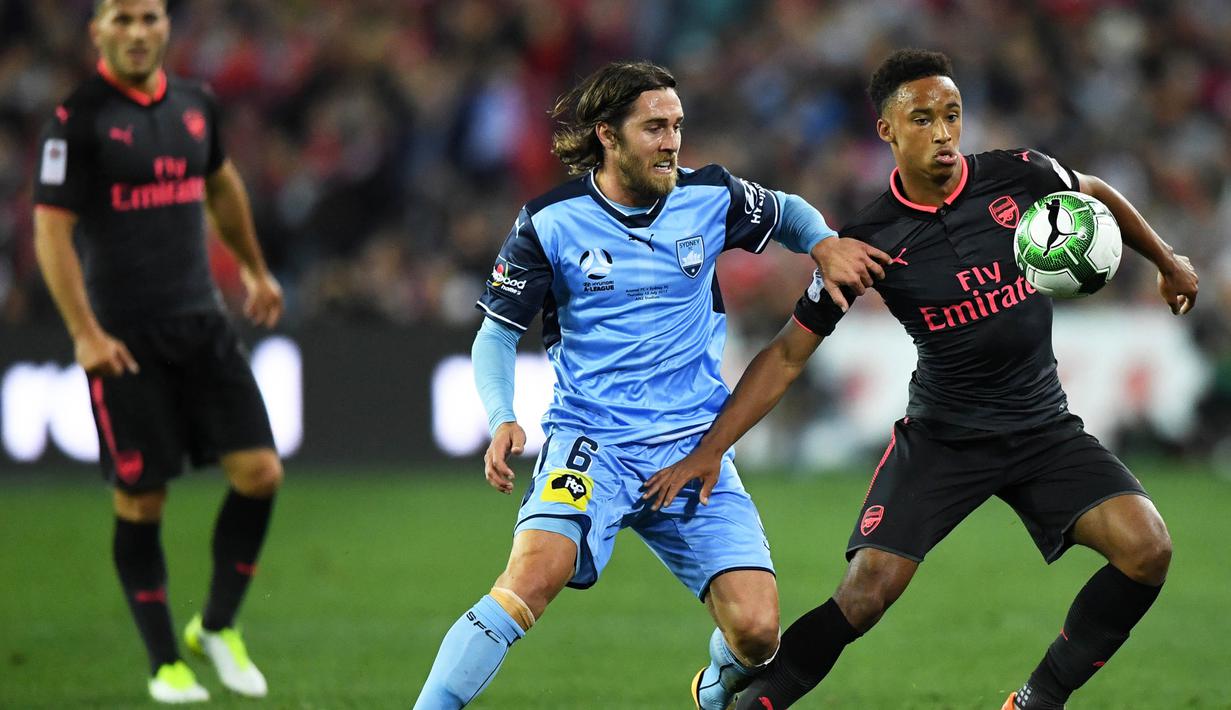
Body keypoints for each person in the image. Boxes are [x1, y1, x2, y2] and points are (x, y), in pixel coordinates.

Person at [644, 48, 1199, 710]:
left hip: (1042, 428)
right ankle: (741, 698)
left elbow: (1096, 191)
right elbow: (790, 353)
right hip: (945, 437)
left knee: (1147, 549)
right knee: (866, 592)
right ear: (887, 129)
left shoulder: (1019, 176)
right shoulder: (872, 238)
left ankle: (1037, 699)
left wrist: (1165, 261)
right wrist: (711, 448)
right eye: (922, 118)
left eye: (952, 115)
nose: (942, 133)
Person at [412, 60, 890, 710]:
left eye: (676, 126)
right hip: (592, 444)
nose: (671, 141)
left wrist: (825, 244)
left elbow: (787, 212)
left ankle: (718, 683)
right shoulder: (549, 221)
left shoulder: (710, 196)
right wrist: (501, 414)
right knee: (530, 578)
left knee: (756, 634)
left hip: (694, 446)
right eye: (654, 128)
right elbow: (496, 334)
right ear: (607, 135)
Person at [32, 0, 284, 703]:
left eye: (149, 18)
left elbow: (223, 186)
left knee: (260, 472)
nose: (137, 32)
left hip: (201, 324)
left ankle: (218, 628)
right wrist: (84, 331)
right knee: (142, 499)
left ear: (166, 27)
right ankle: (163, 662)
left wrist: (256, 269)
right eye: (122, 19)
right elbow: (50, 232)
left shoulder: (197, 104)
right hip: (124, 339)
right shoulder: (76, 119)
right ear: (98, 32)